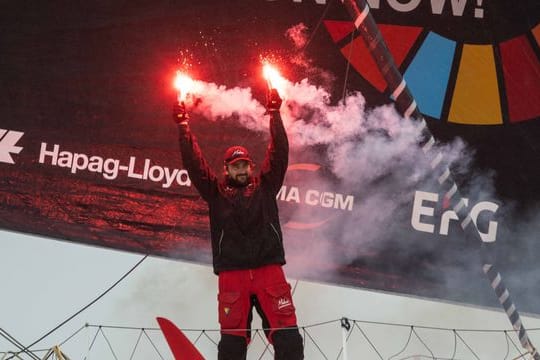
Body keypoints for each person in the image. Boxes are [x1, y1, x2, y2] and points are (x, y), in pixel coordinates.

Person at [172, 88, 304, 360]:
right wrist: (184, 126)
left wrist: (275, 114)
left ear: (250, 166)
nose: (241, 170)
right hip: (233, 275)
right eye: (236, 166)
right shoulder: (215, 193)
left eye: (245, 165)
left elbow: (279, 154)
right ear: (227, 169)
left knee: (289, 339)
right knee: (232, 344)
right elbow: (194, 165)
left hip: (269, 270)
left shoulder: (266, 187)